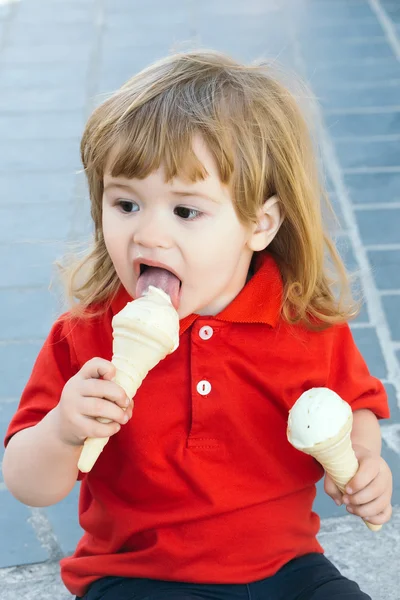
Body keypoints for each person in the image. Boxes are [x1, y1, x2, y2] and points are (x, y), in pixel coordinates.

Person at [3, 50, 392, 600]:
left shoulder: (303, 323)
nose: (149, 235)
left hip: (289, 570)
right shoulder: (87, 334)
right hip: (139, 576)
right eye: (126, 204)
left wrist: (366, 462)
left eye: (185, 211)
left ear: (259, 224)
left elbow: (354, 406)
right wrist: (63, 430)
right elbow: (27, 482)